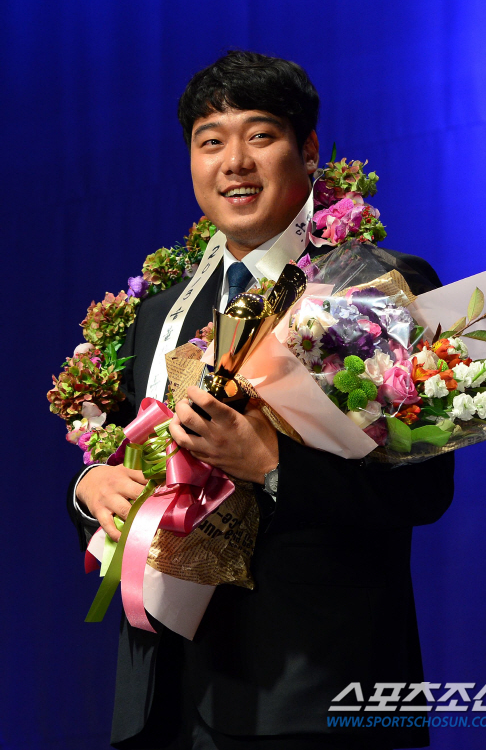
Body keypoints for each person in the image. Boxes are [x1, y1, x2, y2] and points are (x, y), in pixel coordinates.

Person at [69, 51, 454, 750]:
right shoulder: (161, 315)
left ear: (308, 150)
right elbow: (128, 458)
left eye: (260, 135)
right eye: (210, 141)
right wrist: (92, 486)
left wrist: (273, 463)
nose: (234, 162)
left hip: (315, 694)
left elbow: (424, 489)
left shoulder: (371, 285)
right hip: (168, 699)